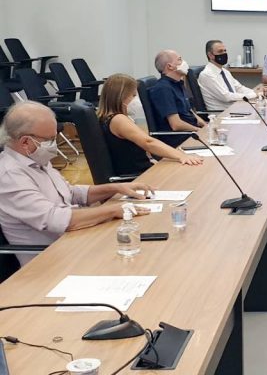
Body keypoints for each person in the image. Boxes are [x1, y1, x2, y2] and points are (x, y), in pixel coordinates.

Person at [0, 102, 153, 266]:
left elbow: (70, 193)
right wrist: (113, 210)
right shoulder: (10, 175)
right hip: (51, 261)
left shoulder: (36, 159)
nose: (54, 144)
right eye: (49, 140)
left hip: (77, 242)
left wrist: (116, 188)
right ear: (25, 142)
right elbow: (54, 219)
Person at [97, 73, 203, 176]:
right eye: (133, 95)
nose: (135, 99)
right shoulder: (119, 120)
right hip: (139, 175)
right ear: (121, 96)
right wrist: (181, 156)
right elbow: (148, 142)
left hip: (141, 170)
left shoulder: (106, 117)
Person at [148, 49, 206, 147]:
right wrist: (199, 131)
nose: (184, 62)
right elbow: (176, 124)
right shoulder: (163, 89)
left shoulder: (178, 83)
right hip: (180, 139)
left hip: (191, 133)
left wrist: (206, 126)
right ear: (169, 66)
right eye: (179, 60)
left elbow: (189, 112)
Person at [198, 40, 257, 111]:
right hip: (221, 114)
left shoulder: (225, 71)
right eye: (220, 51)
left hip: (235, 109)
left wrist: (254, 93)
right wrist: (252, 95)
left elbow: (239, 88)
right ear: (210, 55)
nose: (224, 53)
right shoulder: (207, 75)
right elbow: (226, 97)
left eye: (225, 51)